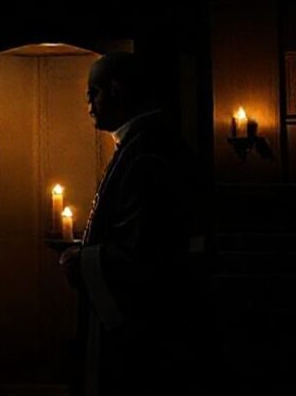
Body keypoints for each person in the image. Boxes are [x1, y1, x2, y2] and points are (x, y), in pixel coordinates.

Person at [60, 52, 206, 395]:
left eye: (93, 91)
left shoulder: (148, 153)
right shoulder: (143, 144)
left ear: (116, 89)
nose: (88, 102)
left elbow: (146, 252)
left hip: (147, 330)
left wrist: (84, 262)